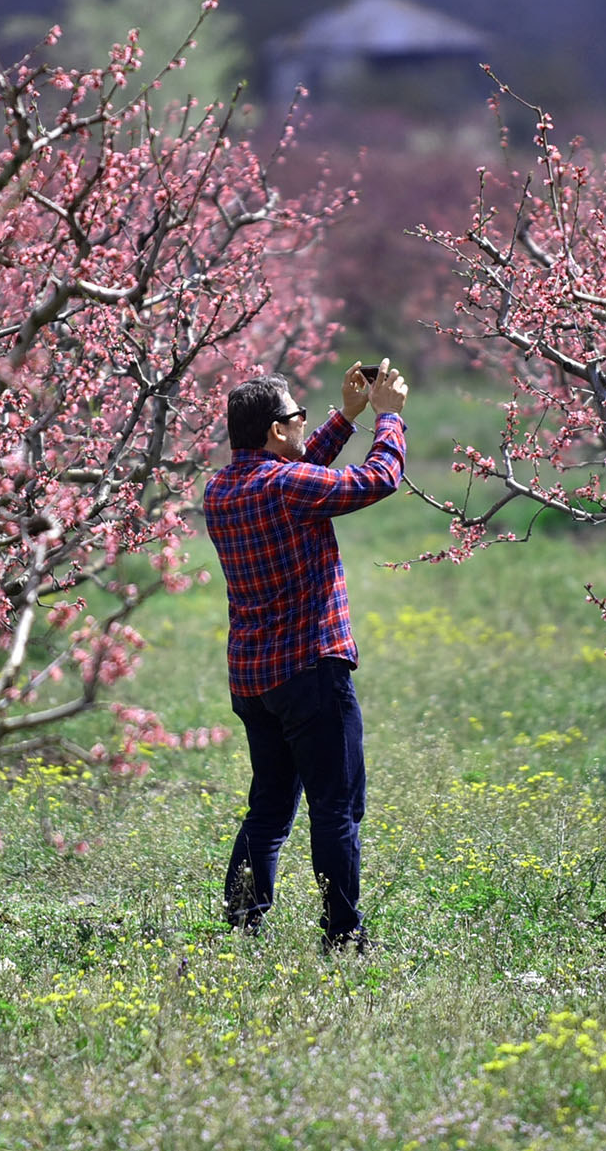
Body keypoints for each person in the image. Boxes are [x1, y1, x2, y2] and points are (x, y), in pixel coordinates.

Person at [202, 361, 409, 951]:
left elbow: (296, 470)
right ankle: (344, 936)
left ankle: (242, 926)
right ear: (274, 430)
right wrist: (387, 416)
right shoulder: (285, 487)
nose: (303, 424)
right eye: (298, 418)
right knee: (335, 809)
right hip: (311, 672)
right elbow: (375, 481)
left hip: (254, 678)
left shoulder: (222, 489)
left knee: (268, 808)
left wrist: (344, 417)